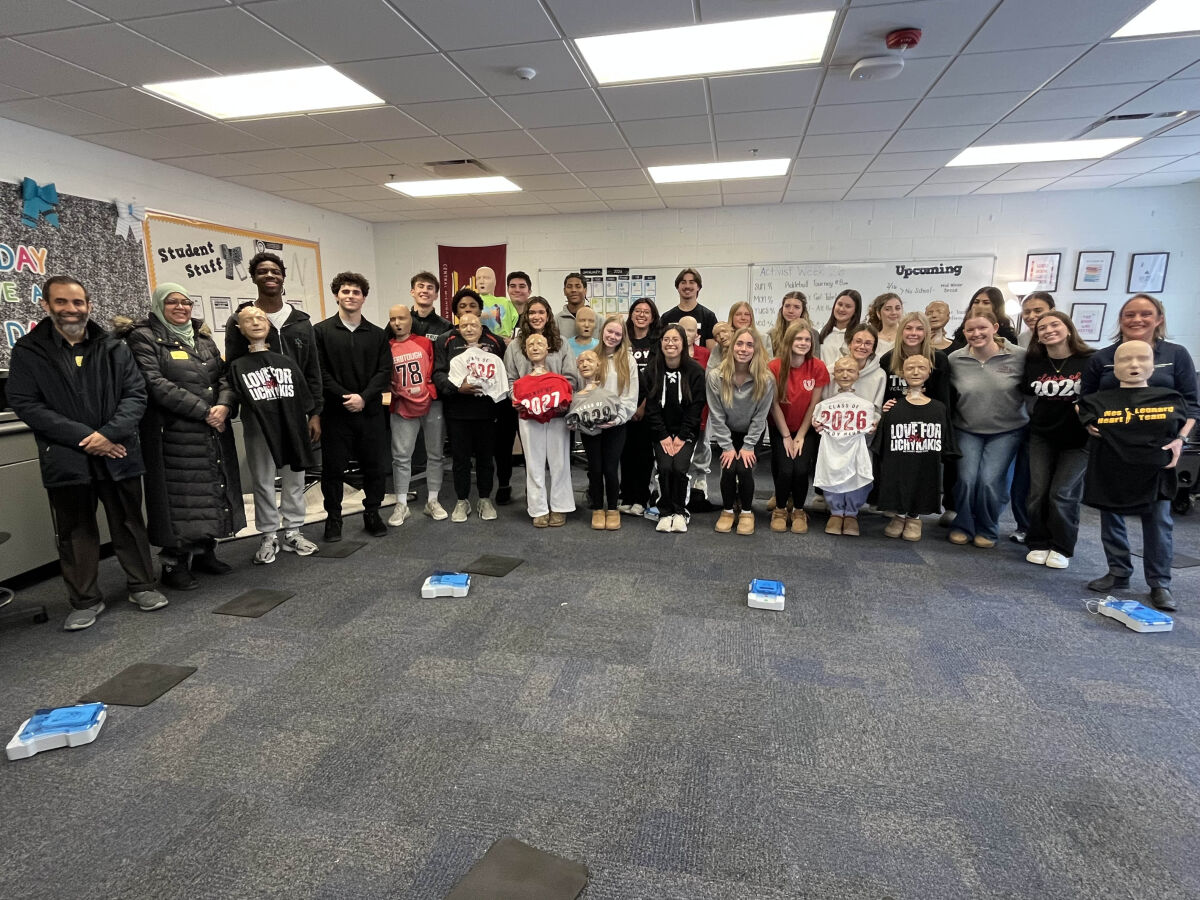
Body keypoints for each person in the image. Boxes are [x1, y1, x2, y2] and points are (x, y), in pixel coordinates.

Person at [8, 275, 167, 631]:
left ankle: (142, 586)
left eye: (77, 302)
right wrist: (88, 437)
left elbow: (135, 394)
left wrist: (108, 435)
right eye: (61, 302)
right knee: (75, 530)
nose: (70, 309)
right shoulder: (29, 351)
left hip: (118, 451)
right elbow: (25, 403)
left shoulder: (114, 347)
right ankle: (84, 600)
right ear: (46, 305)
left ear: (89, 306)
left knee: (129, 522)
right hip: (66, 456)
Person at [1080, 294, 1198, 610]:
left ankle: (1160, 583)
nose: (1137, 319)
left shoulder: (1176, 355)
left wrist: (1181, 440)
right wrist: (1089, 422)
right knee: (1111, 513)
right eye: (1130, 314)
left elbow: (1191, 405)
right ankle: (1118, 572)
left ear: (1159, 318)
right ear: (1121, 319)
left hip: (1157, 452)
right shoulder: (1101, 358)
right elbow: (1086, 400)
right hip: (1112, 450)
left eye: (1146, 314)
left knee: (1158, 517)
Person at [124, 283, 243, 590]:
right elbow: (154, 383)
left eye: (185, 302)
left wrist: (224, 405)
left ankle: (205, 552)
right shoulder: (144, 337)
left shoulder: (203, 339)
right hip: (174, 433)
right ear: (159, 305)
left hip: (212, 430)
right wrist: (205, 411)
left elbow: (224, 377)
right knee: (180, 498)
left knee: (211, 491)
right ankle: (173, 563)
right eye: (172, 302)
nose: (181, 307)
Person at [225, 251, 322, 565]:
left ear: (283, 276)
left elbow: (312, 371)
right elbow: (233, 370)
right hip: (258, 415)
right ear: (254, 277)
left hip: (294, 413)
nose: (270, 275)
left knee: (295, 473)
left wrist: (315, 411)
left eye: (275, 271)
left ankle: (294, 529)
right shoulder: (239, 320)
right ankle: (268, 534)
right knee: (263, 476)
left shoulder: (301, 323)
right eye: (263, 271)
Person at [313, 272, 391, 541]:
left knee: (375, 467)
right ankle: (333, 519)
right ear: (337, 295)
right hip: (336, 414)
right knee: (333, 469)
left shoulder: (378, 335)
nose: (350, 296)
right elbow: (319, 372)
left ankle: (372, 513)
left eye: (356, 292)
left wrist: (364, 397)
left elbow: (384, 371)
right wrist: (346, 397)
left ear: (364, 298)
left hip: (370, 412)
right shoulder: (320, 332)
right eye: (345, 291)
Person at [947, 309, 1027, 548]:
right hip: (967, 428)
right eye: (970, 329)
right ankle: (963, 524)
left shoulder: (1019, 356)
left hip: (1007, 429)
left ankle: (987, 528)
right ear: (964, 332)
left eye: (982, 328)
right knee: (966, 480)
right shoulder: (955, 359)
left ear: (995, 327)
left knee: (990, 481)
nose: (976, 333)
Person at [1020, 310, 1092, 569]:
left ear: (1069, 329)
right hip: (1042, 435)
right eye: (1042, 328)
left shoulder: (1090, 360)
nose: (1048, 330)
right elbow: (1028, 397)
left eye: (1055, 324)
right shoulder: (1035, 362)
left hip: (1079, 439)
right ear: (1037, 336)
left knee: (1062, 493)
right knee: (1038, 492)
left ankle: (1061, 546)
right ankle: (1038, 541)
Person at [433, 293, 509, 522]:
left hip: (487, 412)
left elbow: (503, 375)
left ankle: (485, 499)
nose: (468, 324)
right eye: (463, 312)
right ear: (456, 317)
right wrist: (457, 388)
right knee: (460, 458)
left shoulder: (495, 341)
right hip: (457, 411)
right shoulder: (445, 340)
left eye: (473, 309)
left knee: (486, 457)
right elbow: (437, 373)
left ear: (480, 313)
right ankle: (462, 500)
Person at [505, 298, 581, 525]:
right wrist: (516, 398)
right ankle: (538, 508)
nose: (536, 316)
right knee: (534, 462)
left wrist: (560, 399)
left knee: (559, 462)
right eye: (532, 312)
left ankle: (560, 506)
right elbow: (510, 379)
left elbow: (571, 377)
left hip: (557, 414)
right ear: (526, 316)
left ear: (548, 315)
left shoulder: (562, 343)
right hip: (529, 415)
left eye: (541, 312)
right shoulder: (514, 346)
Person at [872, 355, 952, 542]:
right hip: (899, 456)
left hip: (926, 457)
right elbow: (881, 444)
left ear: (929, 372)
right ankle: (900, 514)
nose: (915, 372)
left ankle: (914, 517)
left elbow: (946, 442)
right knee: (899, 476)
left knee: (923, 478)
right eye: (910, 368)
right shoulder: (893, 407)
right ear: (902, 373)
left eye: (921, 368)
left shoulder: (938, 408)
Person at [707, 327, 775, 535]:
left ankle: (746, 512)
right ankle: (728, 510)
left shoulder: (766, 379)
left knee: (744, 469)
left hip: (751, 432)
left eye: (749, 345)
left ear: (756, 350)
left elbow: (760, 417)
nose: (743, 349)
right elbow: (716, 415)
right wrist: (727, 447)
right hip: (727, 431)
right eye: (739, 344)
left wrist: (748, 446)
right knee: (728, 468)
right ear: (732, 346)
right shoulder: (716, 376)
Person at [643, 323, 706, 533]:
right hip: (660, 433)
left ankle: (680, 511)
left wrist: (681, 436)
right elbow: (651, 407)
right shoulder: (651, 370)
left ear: (684, 342)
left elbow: (696, 408)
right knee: (665, 467)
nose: (671, 343)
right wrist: (662, 435)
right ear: (661, 343)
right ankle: (665, 511)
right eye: (666, 339)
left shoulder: (695, 371)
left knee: (679, 468)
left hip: (684, 432)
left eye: (675, 339)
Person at [386, 304, 445, 525]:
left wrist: (428, 391)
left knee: (435, 454)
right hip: (402, 407)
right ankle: (401, 504)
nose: (397, 323)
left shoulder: (425, 343)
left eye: (401, 318)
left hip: (431, 405)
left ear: (410, 320)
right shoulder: (386, 347)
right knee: (401, 457)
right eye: (393, 319)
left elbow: (434, 370)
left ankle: (433, 500)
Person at [767, 321, 829, 534]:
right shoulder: (774, 366)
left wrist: (800, 435)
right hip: (780, 427)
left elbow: (814, 404)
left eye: (807, 339)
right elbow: (774, 404)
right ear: (788, 341)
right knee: (785, 469)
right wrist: (786, 435)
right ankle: (781, 509)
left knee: (801, 469)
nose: (803, 343)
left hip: (806, 428)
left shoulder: (817, 366)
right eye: (798, 339)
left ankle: (800, 510)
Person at [577, 316, 638, 530]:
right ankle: (597, 509)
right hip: (591, 424)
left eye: (617, 334)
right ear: (602, 331)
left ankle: (612, 508)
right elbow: (581, 392)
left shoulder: (628, 360)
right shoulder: (591, 356)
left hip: (616, 425)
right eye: (609, 332)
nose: (612, 336)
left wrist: (617, 419)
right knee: (594, 468)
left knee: (611, 468)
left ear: (623, 337)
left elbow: (631, 396)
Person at [812, 357, 878, 536]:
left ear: (858, 374)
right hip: (832, 448)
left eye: (850, 371)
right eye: (840, 370)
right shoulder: (824, 405)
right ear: (834, 374)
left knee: (856, 472)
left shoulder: (866, 406)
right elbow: (817, 421)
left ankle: (851, 513)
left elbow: (872, 425)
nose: (845, 374)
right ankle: (835, 511)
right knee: (831, 470)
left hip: (856, 449)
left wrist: (873, 424)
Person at [619, 297, 660, 515]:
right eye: (637, 310)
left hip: (647, 407)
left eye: (646, 311)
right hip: (624, 406)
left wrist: (643, 405)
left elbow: (657, 379)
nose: (641, 314)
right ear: (631, 314)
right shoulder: (623, 341)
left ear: (652, 317)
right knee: (625, 453)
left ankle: (641, 498)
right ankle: (626, 496)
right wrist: (627, 405)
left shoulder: (657, 342)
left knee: (643, 454)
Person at [879, 312, 950, 410]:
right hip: (898, 420)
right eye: (908, 328)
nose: (913, 333)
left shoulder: (938, 359)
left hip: (930, 420)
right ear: (901, 331)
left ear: (926, 332)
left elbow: (944, 401)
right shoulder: (887, 360)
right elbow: (884, 399)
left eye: (919, 329)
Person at [822, 323, 885, 413]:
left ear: (873, 349)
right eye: (858, 341)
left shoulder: (880, 375)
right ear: (849, 344)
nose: (862, 346)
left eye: (868, 343)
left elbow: (877, 411)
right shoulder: (831, 371)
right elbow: (823, 404)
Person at [660, 268, 718, 351]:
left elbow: (712, 353)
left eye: (692, 282)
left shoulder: (708, 316)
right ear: (677, 287)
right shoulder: (666, 317)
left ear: (698, 287)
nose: (687, 286)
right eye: (683, 282)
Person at [947, 286, 1019, 351]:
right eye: (976, 302)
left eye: (986, 303)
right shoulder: (961, 333)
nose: (979, 306)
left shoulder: (1007, 335)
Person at [819, 289, 862, 368]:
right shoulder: (820, 333)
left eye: (848, 306)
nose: (842, 309)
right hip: (822, 379)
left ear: (855, 311)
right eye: (840, 304)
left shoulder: (859, 337)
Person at [475, 265, 517, 339]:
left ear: (494, 281)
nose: (481, 282)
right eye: (478, 278)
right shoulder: (472, 302)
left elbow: (515, 324)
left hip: (502, 344)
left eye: (486, 278)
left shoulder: (505, 302)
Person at [408, 270, 452, 340]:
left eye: (430, 288)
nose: (425, 291)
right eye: (421, 286)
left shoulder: (446, 327)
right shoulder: (399, 322)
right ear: (412, 292)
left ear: (436, 295)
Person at [767, 291, 808, 362]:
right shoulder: (771, 334)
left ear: (803, 311)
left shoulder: (812, 334)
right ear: (782, 308)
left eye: (796, 307)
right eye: (787, 306)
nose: (791, 311)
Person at [867, 292, 903, 357]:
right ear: (878, 313)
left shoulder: (907, 337)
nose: (894, 312)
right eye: (888, 309)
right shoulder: (872, 339)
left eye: (897, 308)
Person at [557, 272, 590, 340]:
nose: (573, 290)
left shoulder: (598, 319)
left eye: (578, 286)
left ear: (585, 290)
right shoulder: (555, 321)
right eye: (569, 287)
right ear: (564, 291)